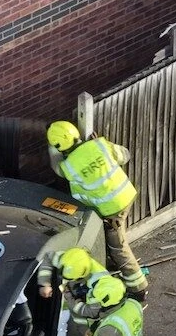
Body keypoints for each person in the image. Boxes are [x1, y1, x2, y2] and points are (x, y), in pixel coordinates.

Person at [46, 121, 146, 299]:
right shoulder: (99, 144)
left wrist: (51, 148)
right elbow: (125, 155)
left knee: (118, 247)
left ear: (59, 147)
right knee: (112, 238)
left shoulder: (68, 167)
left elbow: (56, 167)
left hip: (111, 210)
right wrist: (104, 145)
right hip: (126, 196)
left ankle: (138, 288)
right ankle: (115, 265)